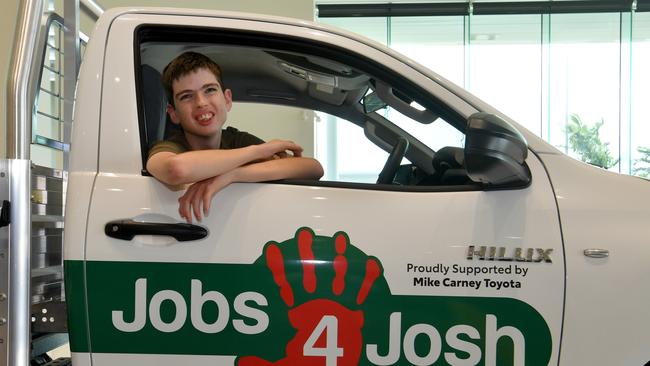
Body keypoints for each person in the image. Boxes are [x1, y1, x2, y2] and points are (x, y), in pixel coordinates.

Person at [146, 52, 323, 223]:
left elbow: (313, 168)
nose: (201, 102)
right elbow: (176, 169)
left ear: (227, 99)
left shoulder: (236, 141)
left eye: (209, 90)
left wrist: (234, 174)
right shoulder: (169, 146)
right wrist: (258, 151)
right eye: (186, 96)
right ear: (173, 113)